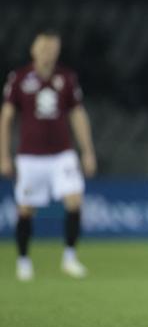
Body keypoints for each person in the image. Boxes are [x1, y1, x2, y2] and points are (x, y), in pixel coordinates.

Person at [1, 31, 97, 281]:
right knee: (26, 209)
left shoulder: (66, 78)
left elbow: (77, 114)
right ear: (34, 50)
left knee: (75, 200)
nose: (48, 52)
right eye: (43, 47)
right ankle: (23, 261)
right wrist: (4, 155)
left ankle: (70, 258)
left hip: (62, 154)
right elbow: (7, 118)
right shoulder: (19, 78)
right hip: (30, 157)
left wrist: (87, 151)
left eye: (53, 48)